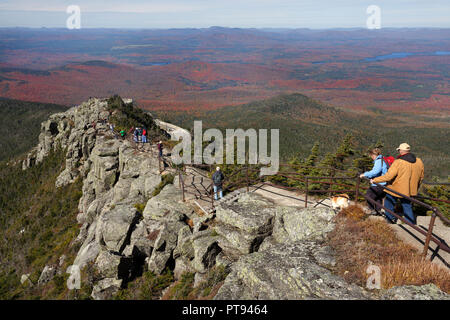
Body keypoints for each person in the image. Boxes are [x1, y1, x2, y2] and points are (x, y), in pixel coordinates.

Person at [371, 143, 424, 225]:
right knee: (407, 205)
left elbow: (388, 176)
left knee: (389, 202)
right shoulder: (419, 161)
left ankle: (389, 220)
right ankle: (410, 224)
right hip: (410, 190)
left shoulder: (398, 162)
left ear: (401, 151)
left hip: (396, 188)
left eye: (399, 150)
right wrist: (416, 187)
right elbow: (421, 177)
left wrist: (375, 180)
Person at [359, 148, 388, 215]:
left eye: (371, 155)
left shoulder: (379, 161)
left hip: (379, 183)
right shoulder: (383, 160)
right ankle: (378, 211)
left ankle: (372, 210)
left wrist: (364, 174)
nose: (371, 157)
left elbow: (375, 172)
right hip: (384, 183)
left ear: (373, 155)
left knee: (369, 195)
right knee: (378, 197)